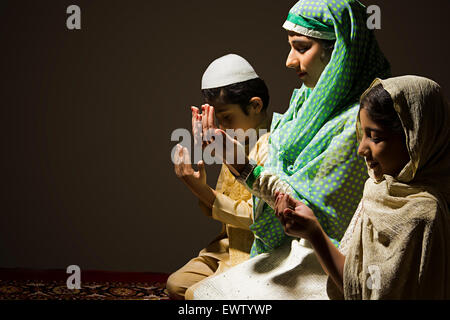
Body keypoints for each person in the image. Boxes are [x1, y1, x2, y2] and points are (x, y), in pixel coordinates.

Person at [188, 0, 391, 299]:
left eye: (301, 47)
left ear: (338, 50)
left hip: (327, 256)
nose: (290, 61)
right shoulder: (303, 106)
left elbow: (308, 209)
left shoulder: (360, 119)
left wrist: (240, 165)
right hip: (288, 248)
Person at [275, 75, 450, 299]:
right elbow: (358, 280)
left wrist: (315, 234)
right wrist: (312, 231)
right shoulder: (378, 189)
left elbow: (368, 294)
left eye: (375, 137)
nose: (361, 149)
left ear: (414, 138)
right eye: (362, 133)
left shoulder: (424, 215)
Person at [166, 54, 271, 300]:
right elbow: (219, 207)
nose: (220, 127)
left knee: (195, 295)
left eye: (226, 118)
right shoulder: (234, 141)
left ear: (255, 106)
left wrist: (200, 190)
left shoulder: (274, 144)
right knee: (176, 285)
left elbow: (258, 217)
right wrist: (198, 186)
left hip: (261, 253)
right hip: (227, 248)